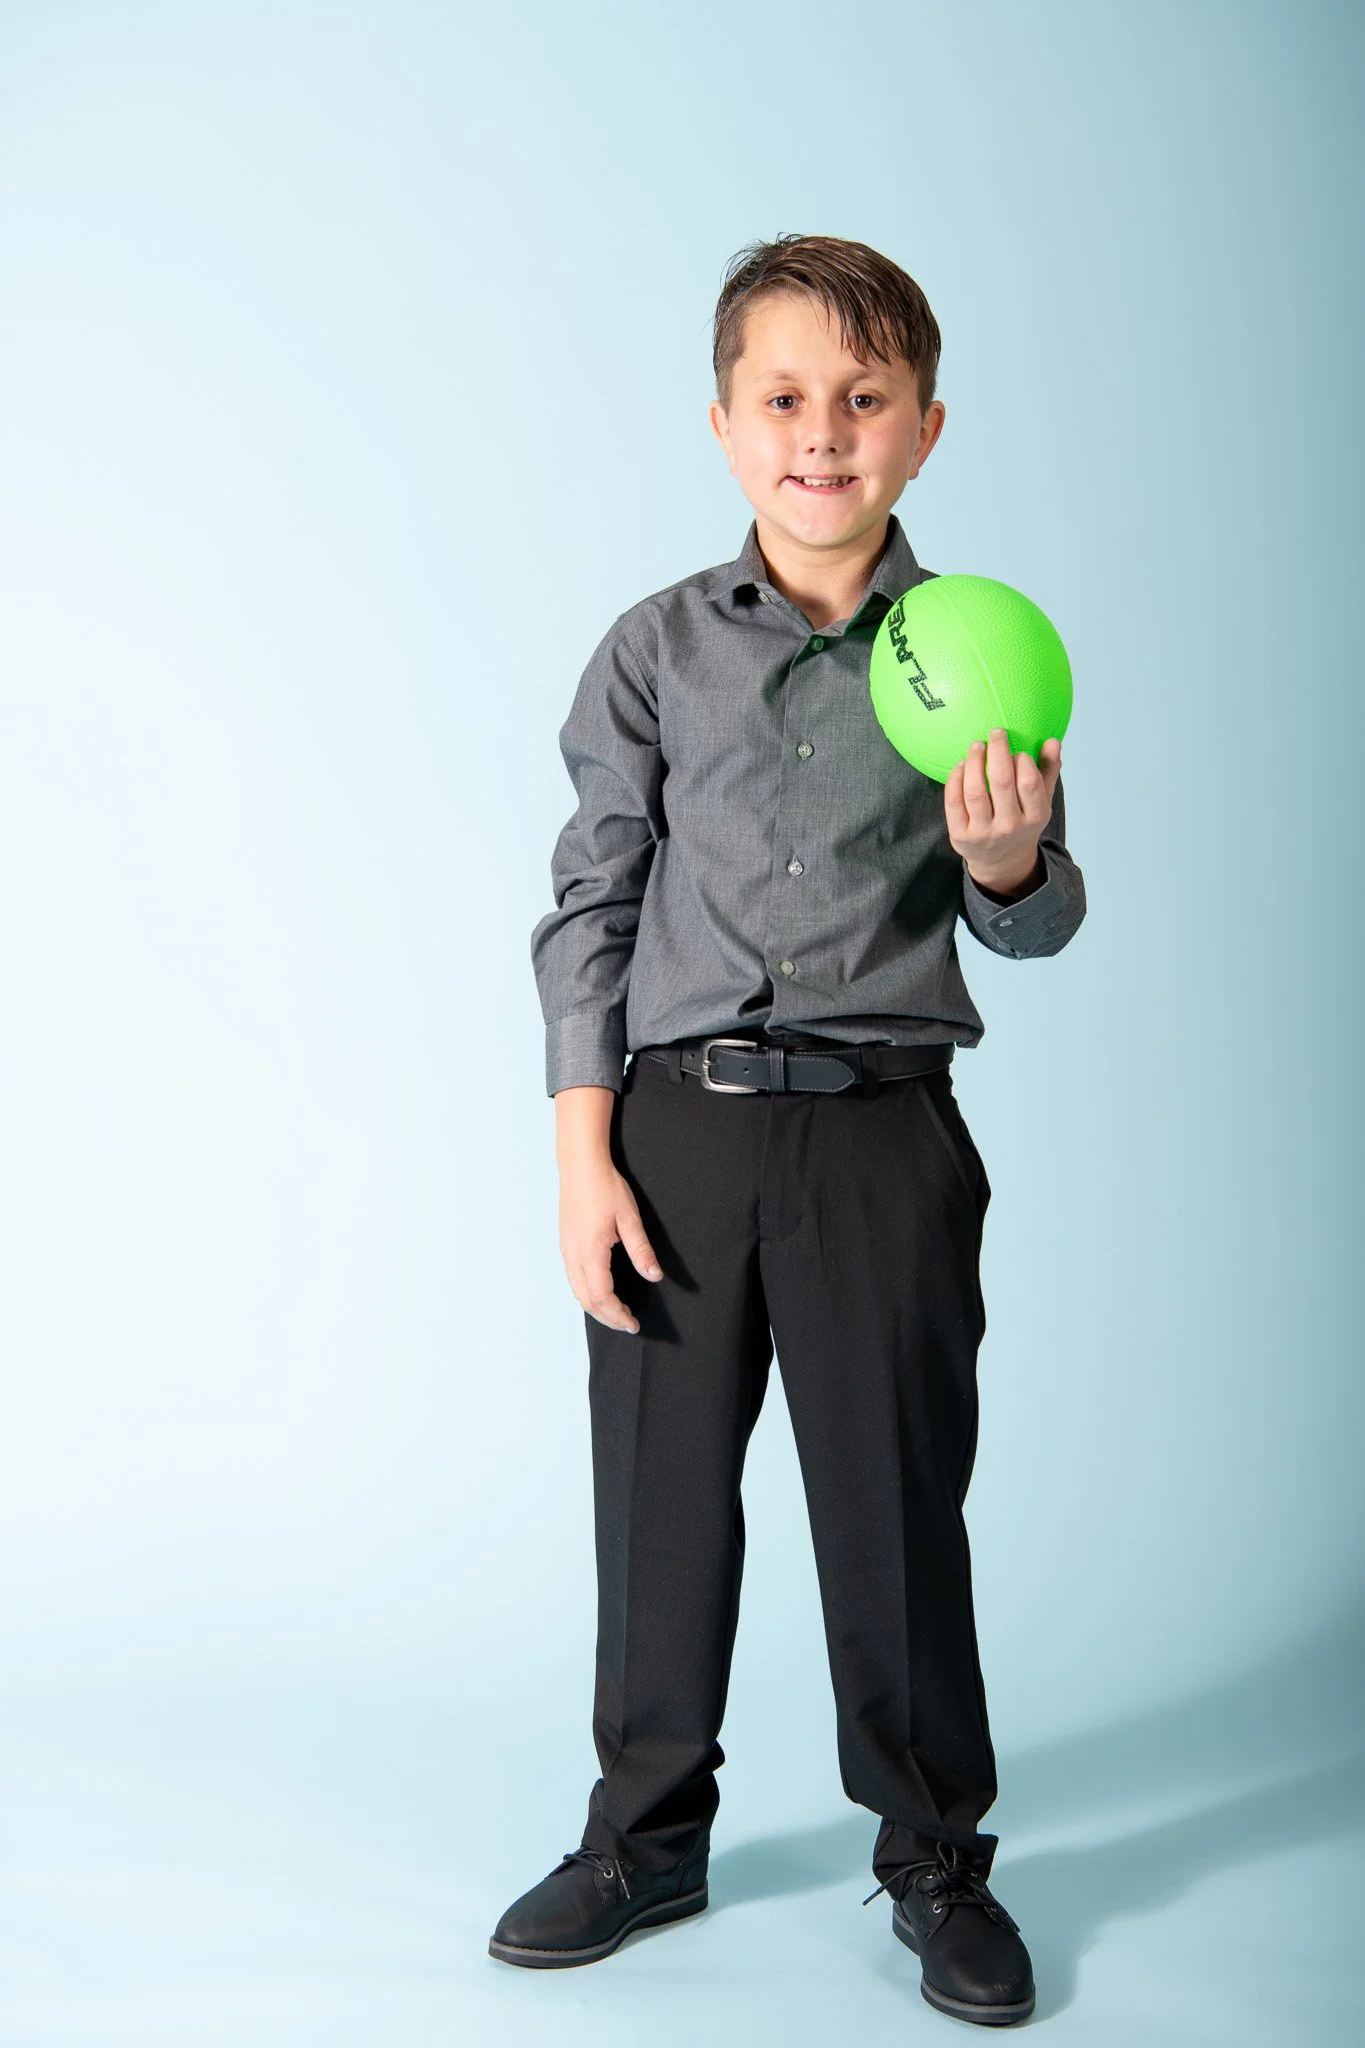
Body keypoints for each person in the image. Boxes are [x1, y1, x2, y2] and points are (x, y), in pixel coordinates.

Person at [490, 233, 1086, 2027]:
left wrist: (1006, 863)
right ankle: (644, 1833)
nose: (822, 433)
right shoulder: (655, 651)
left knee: (893, 1508)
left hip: (885, 1133)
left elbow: (1039, 913)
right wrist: (585, 1154)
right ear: (727, 423)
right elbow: (590, 908)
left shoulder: (976, 647)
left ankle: (933, 1860)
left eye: (863, 399)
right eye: (784, 398)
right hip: (678, 1135)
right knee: (661, 1500)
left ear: (921, 428)